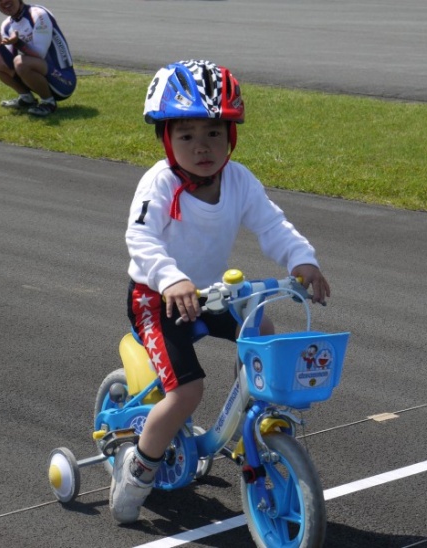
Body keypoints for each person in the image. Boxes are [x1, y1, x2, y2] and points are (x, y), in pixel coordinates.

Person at [113, 59, 331, 524]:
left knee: (264, 332)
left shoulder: (238, 180)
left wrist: (302, 260)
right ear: (166, 140)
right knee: (186, 392)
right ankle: (137, 470)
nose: (202, 146)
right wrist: (170, 278)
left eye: (214, 133)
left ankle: (251, 416)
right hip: (157, 299)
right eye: (186, 135)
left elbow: (272, 225)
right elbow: (141, 239)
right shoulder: (159, 183)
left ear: (230, 136)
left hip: (210, 294)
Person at [0, 0, 76, 117]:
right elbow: (10, 66)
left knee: (21, 62)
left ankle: (48, 102)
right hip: (39, 77)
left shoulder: (38, 14)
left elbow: (39, 54)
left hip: (64, 81)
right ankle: (26, 98)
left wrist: (18, 43)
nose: (4, 1)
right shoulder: (7, 25)